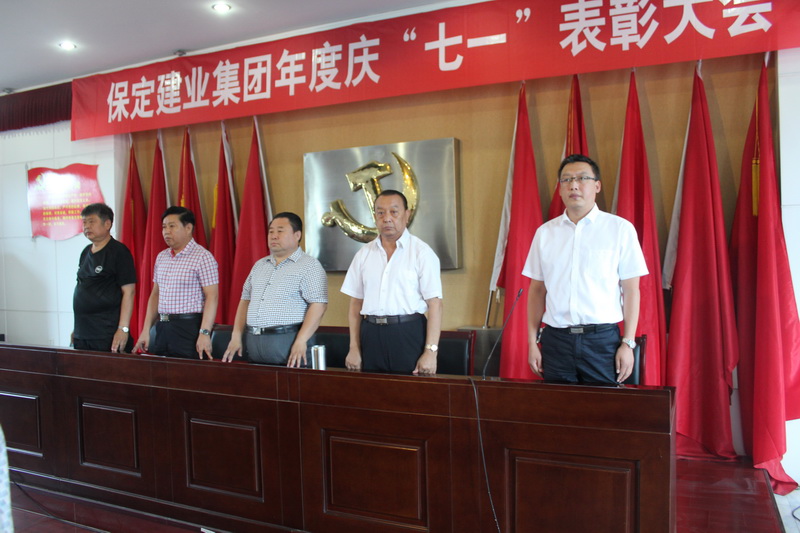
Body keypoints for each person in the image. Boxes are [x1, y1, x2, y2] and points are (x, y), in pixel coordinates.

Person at [523, 154, 648, 384]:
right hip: (556, 341)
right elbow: (537, 291)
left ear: (597, 186)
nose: (574, 185)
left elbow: (631, 290)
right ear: (560, 188)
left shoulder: (620, 229)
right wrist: (532, 342)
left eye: (582, 178)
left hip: (602, 342)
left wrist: (628, 343)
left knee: (603, 406)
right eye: (567, 180)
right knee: (557, 406)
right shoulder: (545, 233)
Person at [341, 189, 443, 375]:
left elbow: (435, 304)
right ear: (375, 217)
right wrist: (354, 347)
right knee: (371, 390)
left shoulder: (422, 253)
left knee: (410, 391)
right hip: (370, 334)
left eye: (394, 212)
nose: (387, 218)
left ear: (407, 214)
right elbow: (355, 304)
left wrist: (431, 352)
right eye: (380, 213)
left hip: (408, 333)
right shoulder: (363, 254)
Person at [222, 212, 328, 366]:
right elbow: (245, 300)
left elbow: (319, 305)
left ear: (297, 235)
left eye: (280, 231)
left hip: (288, 341)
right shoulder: (259, 265)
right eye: (271, 231)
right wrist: (236, 335)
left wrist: (301, 340)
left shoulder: (309, 265)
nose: (274, 236)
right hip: (253, 341)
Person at [134, 206, 218, 359]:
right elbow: (155, 294)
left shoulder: (203, 257)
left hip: (188, 328)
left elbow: (212, 297)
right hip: (162, 326)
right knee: (161, 371)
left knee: (186, 371)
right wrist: (146, 330)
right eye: (164, 227)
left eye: (172, 226)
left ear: (188, 228)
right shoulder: (162, 257)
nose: (166, 231)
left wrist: (204, 332)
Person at [72, 203, 136, 353]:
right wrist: (76, 329)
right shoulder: (85, 252)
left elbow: (129, 292)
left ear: (107, 224)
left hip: (106, 333)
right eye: (84, 222)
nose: (87, 226)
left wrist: (123, 329)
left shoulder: (119, 252)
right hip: (83, 332)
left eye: (91, 221)